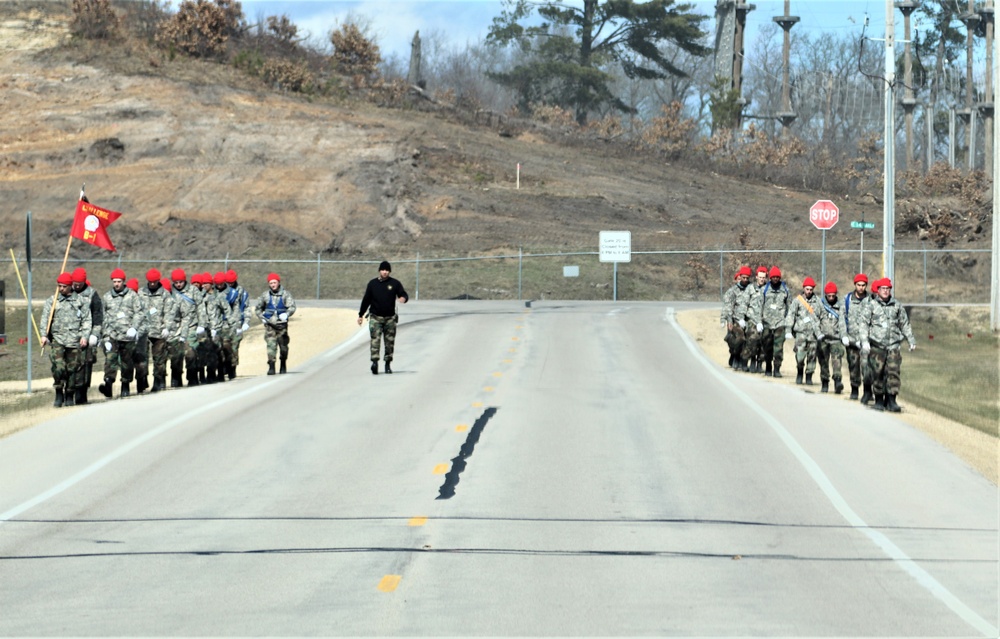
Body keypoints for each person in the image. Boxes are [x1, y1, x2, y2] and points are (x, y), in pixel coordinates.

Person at [859, 278, 917, 412]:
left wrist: (911, 340)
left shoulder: (897, 305)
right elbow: (864, 324)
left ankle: (891, 400)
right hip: (877, 345)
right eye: (883, 289)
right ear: (878, 291)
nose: (885, 291)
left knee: (893, 373)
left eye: (888, 289)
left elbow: (904, 324)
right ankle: (879, 400)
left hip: (893, 345)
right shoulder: (871, 305)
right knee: (877, 373)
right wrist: (864, 341)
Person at [40, 273, 91, 407]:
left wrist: (85, 336)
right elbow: (45, 319)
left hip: (74, 340)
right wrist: (43, 335)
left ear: (70, 286)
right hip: (58, 339)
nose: (61, 289)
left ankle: (69, 393)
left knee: (72, 369)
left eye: (64, 286)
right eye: (59, 286)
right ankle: (58, 391)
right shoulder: (52, 301)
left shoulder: (81, 301)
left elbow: (86, 320)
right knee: (59, 366)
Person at [99, 268, 143, 398]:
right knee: (110, 360)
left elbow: (139, 313)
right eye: (114, 281)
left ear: (124, 281)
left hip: (127, 335)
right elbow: (103, 317)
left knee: (126, 362)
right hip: (112, 334)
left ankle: (125, 385)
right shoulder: (107, 297)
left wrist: (134, 328)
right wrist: (105, 336)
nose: (117, 284)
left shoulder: (132, 296)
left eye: (119, 281)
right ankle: (108, 384)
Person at [358, 260, 409, 374]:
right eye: (383, 270)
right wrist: (360, 315)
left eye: (387, 270)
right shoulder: (372, 284)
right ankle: (375, 363)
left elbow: (403, 294)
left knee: (389, 343)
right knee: (375, 341)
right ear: (379, 271)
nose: (385, 272)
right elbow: (366, 300)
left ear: (389, 271)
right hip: (376, 317)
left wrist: (403, 299)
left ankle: (387, 364)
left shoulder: (395, 283)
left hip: (390, 318)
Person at [140, 268, 179, 392]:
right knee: (142, 358)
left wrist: (167, 327)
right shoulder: (141, 293)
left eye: (154, 282)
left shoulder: (165, 295)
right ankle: (142, 381)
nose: (152, 284)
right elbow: (136, 310)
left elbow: (169, 312)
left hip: (159, 331)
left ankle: (158, 381)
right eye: (150, 282)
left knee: (159, 359)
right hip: (144, 331)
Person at [254, 273, 296, 375]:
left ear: (278, 282)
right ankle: (271, 365)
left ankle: (283, 363)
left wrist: (287, 314)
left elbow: (292, 307)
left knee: (283, 346)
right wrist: (262, 318)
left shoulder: (286, 294)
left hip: (282, 325)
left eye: (274, 282)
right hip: (270, 325)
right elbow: (258, 309)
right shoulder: (265, 295)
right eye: (271, 283)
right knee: (271, 345)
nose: (273, 285)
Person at [71, 267, 102, 404]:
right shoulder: (68, 292)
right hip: (70, 335)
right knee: (71, 365)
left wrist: (95, 334)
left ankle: (82, 392)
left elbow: (98, 316)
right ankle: (69, 392)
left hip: (87, 336)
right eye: (75, 283)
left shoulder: (92, 295)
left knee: (86, 364)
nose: (76, 286)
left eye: (79, 284)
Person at [169, 268, 205, 387]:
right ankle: (176, 377)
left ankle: (192, 377)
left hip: (191, 326)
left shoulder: (193, 291)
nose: (178, 284)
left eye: (181, 282)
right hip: (176, 328)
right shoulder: (170, 292)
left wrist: (201, 324)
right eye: (176, 282)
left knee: (190, 353)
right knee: (176, 354)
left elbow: (201, 307)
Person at [785, 276, 822, 385]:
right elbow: (791, 315)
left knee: (812, 356)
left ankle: (809, 376)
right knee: (800, 356)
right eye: (807, 289)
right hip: (800, 333)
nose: (809, 291)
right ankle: (800, 373)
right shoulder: (797, 301)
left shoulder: (818, 301)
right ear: (804, 288)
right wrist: (788, 329)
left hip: (813, 334)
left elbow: (822, 314)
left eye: (811, 289)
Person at [815, 282, 848, 394]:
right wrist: (818, 333)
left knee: (837, 360)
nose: (831, 298)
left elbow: (842, 322)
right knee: (823, 361)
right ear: (826, 295)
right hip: (823, 338)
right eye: (829, 296)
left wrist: (844, 336)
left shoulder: (840, 306)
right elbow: (815, 320)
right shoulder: (820, 305)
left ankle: (837, 381)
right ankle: (824, 381)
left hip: (836, 338)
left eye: (833, 296)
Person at [843, 273, 872, 402]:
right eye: (858, 285)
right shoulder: (847, 299)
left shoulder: (871, 301)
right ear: (855, 285)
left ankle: (867, 391)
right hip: (852, 339)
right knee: (853, 365)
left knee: (866, 367)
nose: (861, 287)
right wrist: (843, 336)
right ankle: (854, 389)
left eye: (863, 285)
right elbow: (842, 320)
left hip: (866, 341)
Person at [720, 266, 753, 371]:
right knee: (739, 339)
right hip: (736, 319)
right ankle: (735, 356)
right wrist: (728, 320)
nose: (745, 280)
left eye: (747, 278)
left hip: (749, 319)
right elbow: (728, 306)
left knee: (749, 340)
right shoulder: (733, 291)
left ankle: (743, 361)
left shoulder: (752, 289)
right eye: (743, 278)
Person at [760, 266, 790, 377]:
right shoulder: (764, 290)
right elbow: (760, 306)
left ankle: (777, 368)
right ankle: (768, 366)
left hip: (780, 323)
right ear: (770, 278)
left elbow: (789, 307)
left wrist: (788, 325)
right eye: (774, 277)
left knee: (778, 348)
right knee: (767, 346)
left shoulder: (785, 290)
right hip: (767, 323)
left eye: (777, 277)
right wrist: (759, 321)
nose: (776, 279)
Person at [223, 269, 250, 380]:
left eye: (231, 282)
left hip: (237, 324)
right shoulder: (222, 291)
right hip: (223, 324)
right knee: (224, 346)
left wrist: (246, 321)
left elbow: (246, 307)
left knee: (234, 347)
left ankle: (232, 369)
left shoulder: (241, 292)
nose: (229, 285)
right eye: (228, 282)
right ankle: (225, 366)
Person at [126, 278, 151, 394]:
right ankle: (125, 386)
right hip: (126, 337)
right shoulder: (124, 301)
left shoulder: (143, 303)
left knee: (141, 361)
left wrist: (137, 333)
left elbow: (146, 322)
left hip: (140, 338)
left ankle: (141, 383)